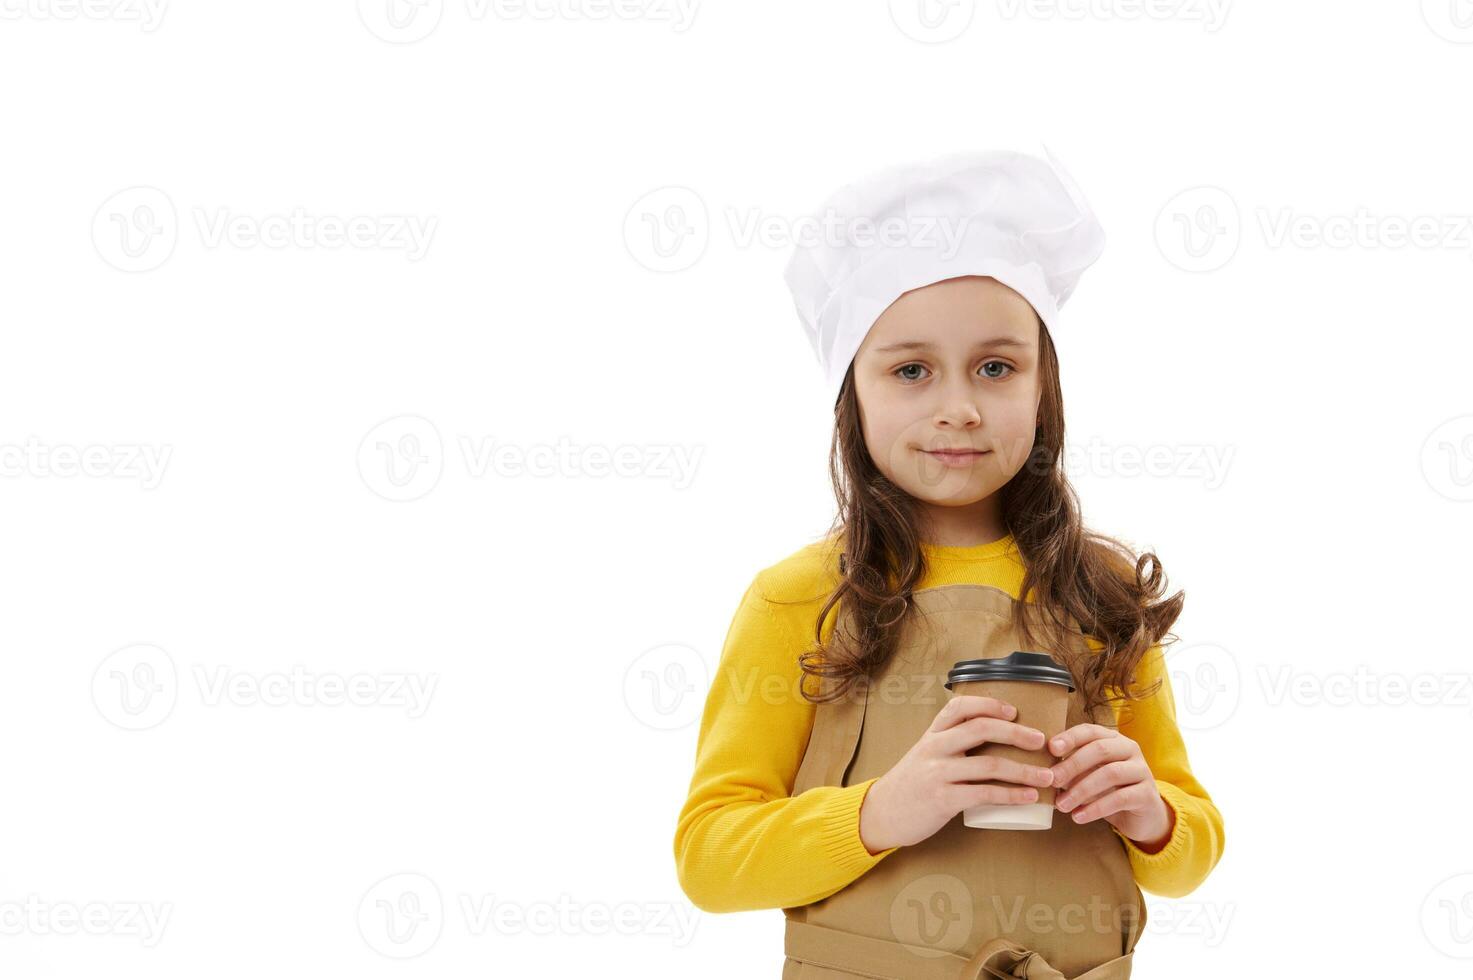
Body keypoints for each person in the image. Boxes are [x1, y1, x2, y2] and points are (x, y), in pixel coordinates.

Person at [673, 148, 1225, 979]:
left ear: (1044, 388)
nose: (958, 407)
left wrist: (1150, 815)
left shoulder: (1099, 597)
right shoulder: (796, 600)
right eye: (910, 371)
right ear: (851, 394)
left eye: (996, 367)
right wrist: (880, 812)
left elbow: (1190, 851)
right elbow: (707, 859)